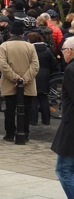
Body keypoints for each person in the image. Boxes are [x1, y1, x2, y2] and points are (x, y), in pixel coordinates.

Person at [0, 21, 40, 141]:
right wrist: (24, 79)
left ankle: (10, 134)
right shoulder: (30, 47)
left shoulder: (4, 46)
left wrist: (16, 78)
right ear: (23, 34)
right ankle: (25, 133)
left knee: (10, 110)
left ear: (11, 33)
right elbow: (35, 65)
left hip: (9, 83)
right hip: (28, 84)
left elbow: (3, 65)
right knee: (26, 110)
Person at [52, 37, 74, 197]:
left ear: (70, 51)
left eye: (63, 50)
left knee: (63, 169)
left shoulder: (71, 70)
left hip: (71, 126)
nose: (63, 54)